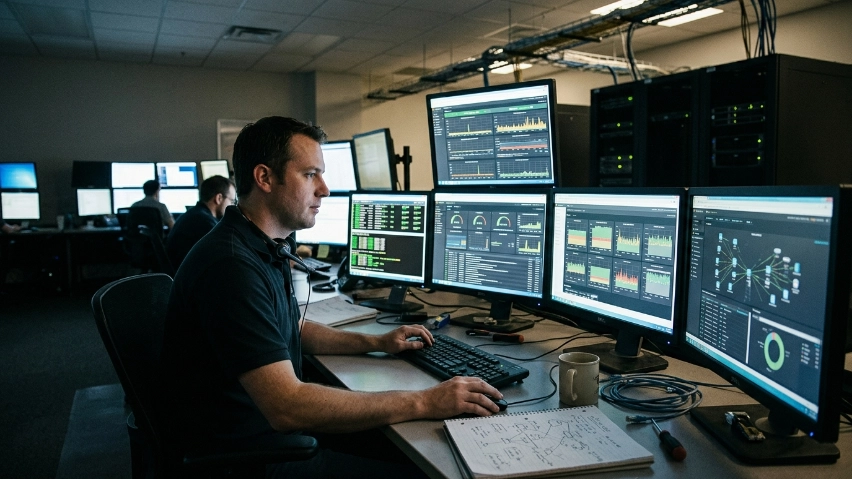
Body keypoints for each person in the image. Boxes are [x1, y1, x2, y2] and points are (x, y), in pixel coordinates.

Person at [161, 117, 502, 478]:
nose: (324, 189)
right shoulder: (230, 266)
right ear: (264, 178)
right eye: (310, 174)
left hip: (264, 432)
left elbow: (289, 327)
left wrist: (375, 342)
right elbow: (287, 406)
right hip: (250, 454)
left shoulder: (261, 244)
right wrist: (425, 399)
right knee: (428, 463)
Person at [165, 175, 235, 269]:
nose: (233, 206)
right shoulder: (205, 223)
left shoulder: (195, 214)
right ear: (218, 198)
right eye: (232, 201)